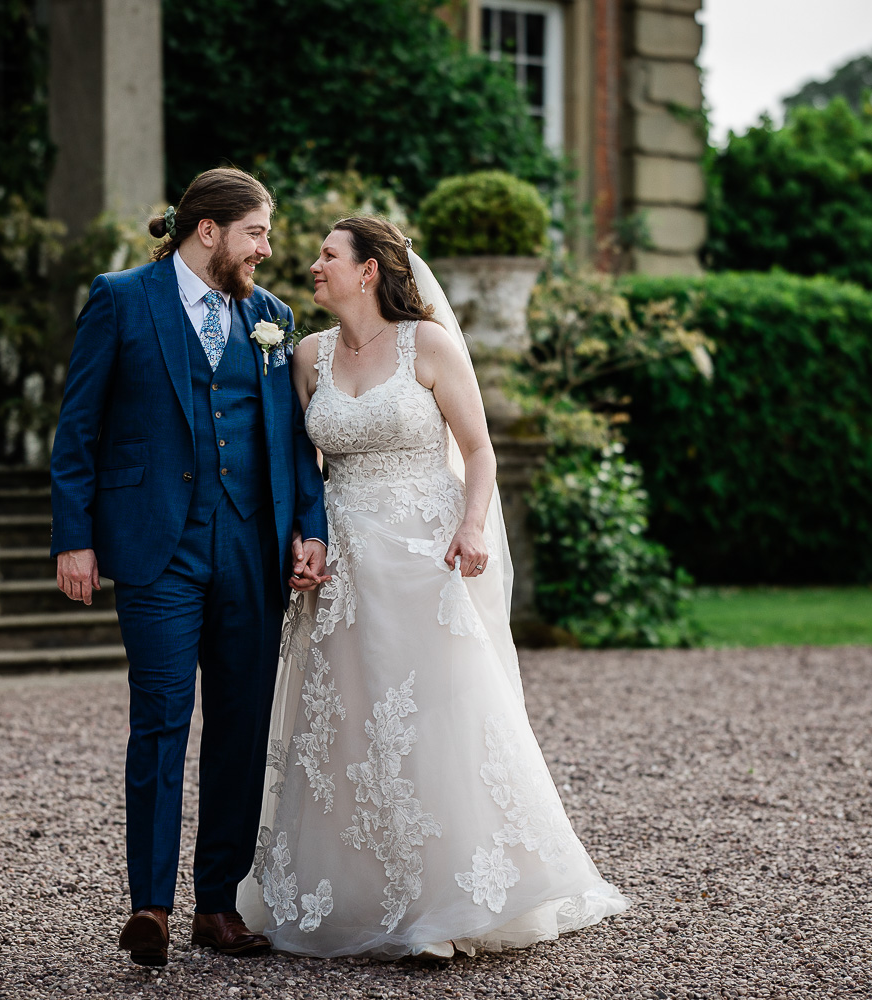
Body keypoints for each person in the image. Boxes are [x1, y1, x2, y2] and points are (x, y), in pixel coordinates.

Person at [234, 217, 630, 958]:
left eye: (328, 255)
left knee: (435, 717)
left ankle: (444, 909)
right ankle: (360, 894)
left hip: (425, 557)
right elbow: (300, 468)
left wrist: (473, 526)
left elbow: (478, 450)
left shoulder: (431, 345)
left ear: (368, 271)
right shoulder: (308, 355)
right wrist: (302, 539)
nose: (313, 264)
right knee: (347, 722)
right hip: (344, 567)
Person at [49, 167, 330, 967]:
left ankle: (217, 906)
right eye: (256, 233)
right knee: (161, 720)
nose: (266, 250)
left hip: (250, 547)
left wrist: (309, 529)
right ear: (209, 230)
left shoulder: (271, 318)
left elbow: (292, 440)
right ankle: (151, 905)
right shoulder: (120, 299)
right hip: (156, 548)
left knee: (240, 728)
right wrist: (74, 538)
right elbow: (78, 426)